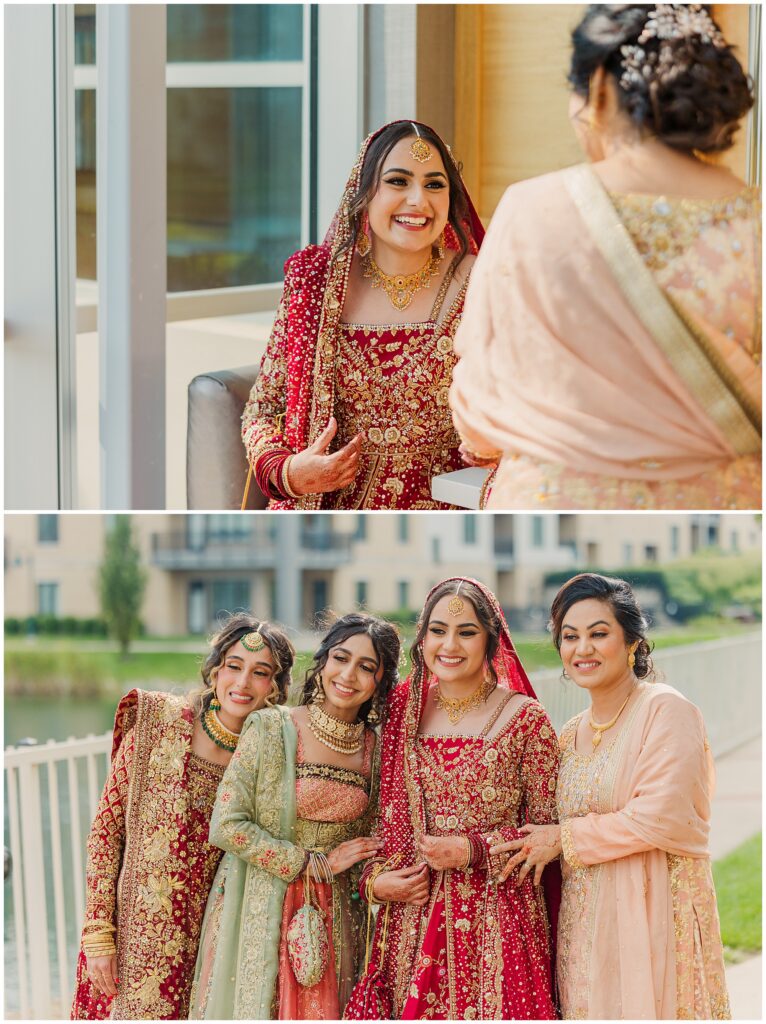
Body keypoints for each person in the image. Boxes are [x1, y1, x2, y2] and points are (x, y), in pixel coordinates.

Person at [450, 4, 760, 510]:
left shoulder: (533, 208)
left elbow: (480, 397)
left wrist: (490, 442)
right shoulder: (757, 221)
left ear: (596, 88)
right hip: (725, 504)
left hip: (558, 501)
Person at [492, 573, 730, 1020]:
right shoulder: (569, 734)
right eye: (570, 637)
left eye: (599, 634)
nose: (583, 649)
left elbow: (661, 816)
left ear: (632, 643)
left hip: (652, 913)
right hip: (585, 929)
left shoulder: (664, 710)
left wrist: (563, 838)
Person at [345, 578, 560, 1021]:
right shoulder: (401, 711)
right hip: (411, 920)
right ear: (422, 638)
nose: (449, 645)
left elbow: (547, 839)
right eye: (438, 630)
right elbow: (380, 822)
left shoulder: (526, 719)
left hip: (498, 922)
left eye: (466, 632)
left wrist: (472, 850)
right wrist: (375, 882)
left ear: (491, 640)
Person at [241, 120, 485, 510]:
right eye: (398, 181)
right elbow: (263, 408)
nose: (418, 200)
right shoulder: (315, 284)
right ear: (364, 190)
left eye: (435, 184)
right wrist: (287, 472)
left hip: (451, 506)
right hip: (328, 512)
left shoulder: (484, 282)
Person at [71, 615, 295, 1020]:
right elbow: (106, 831)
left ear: (275, 687)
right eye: (234, 666)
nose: (243, 683)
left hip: (216, 943)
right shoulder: (158, 722)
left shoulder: (270, 757)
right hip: (132, 939)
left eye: (260, 673)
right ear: (215, 670)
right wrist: (99, 933)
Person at [190, 613, 401, 1019]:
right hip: (260, 904)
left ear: (380, 681)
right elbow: (227, 825)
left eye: (366, 667)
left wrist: (376, 879)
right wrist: (313, 864)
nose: (348, 675)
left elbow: (372, 840)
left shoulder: (375, 751)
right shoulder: (271, 727)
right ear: (323, 662)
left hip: (338, 918)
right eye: (341, 658)